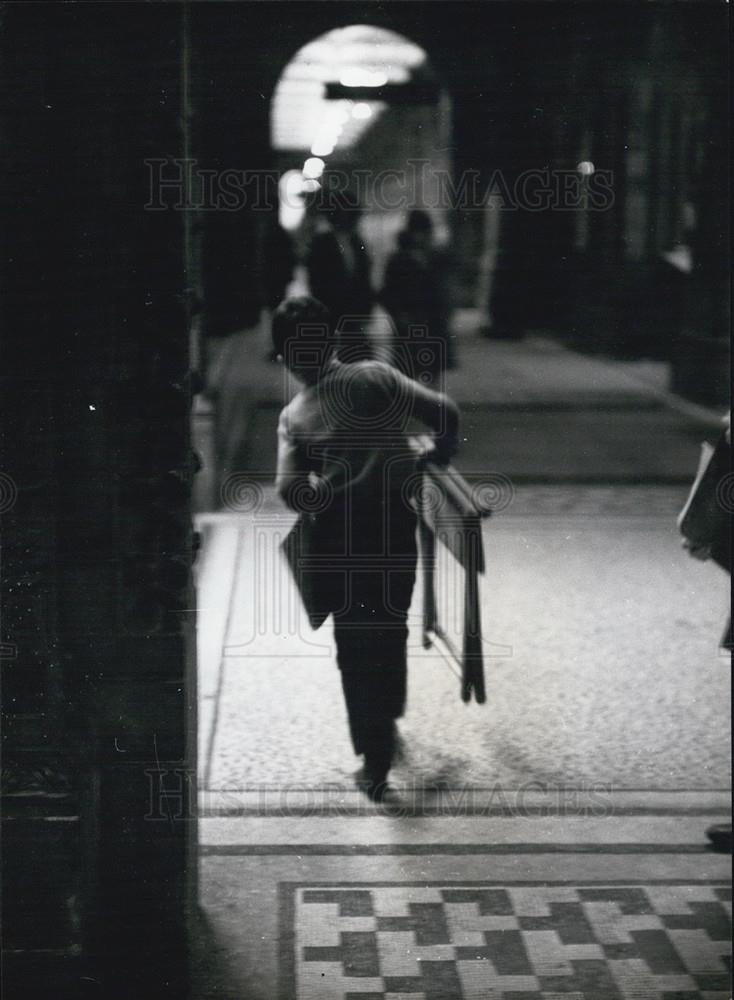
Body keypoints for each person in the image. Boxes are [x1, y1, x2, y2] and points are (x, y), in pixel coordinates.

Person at [273, 296, 460, 800]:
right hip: (394, 524)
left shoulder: (294, 416)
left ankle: (373, 757)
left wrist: (321, 491)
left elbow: (288, 489)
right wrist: (436, 457)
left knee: (354, 645)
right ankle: (388, 724)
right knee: (390, 627)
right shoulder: (376, 378)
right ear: (334, 341)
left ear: (283, 358)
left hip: (338, 537)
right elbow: (445, 413)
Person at [381, 210, 454, 380]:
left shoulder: (434, 256)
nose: (422, 237)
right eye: (419, 232)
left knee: (431, 367)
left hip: (431, 319)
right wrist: (398, 314)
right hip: (409, 319)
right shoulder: (399, 258)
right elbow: (388, 291)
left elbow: (442, 288)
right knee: (409, 367)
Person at [306, 201, 373, 361]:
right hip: (331, 310)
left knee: (355, 357)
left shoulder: (356, 241)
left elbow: (363, 276)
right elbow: (316, 280)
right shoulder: (321, 243)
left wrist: (366, 307)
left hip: (353, 312)